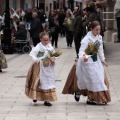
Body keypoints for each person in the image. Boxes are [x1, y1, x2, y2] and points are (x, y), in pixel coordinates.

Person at [62, 21, 111, 105]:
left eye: (99, 30)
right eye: (96, 30)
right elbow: (81, 51)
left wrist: (103, 60)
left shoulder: (99, 38)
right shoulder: (86, 39)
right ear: (91, 29)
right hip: (87, 61)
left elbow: (100, 50)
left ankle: (91, 97)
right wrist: (83, 57)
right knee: (90, 79)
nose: (98, 32)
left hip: (95, 60)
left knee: (98, 78)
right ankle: (85, 95)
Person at [25, 32, 57, 106]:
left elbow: (55, 55)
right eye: (44, 40)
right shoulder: (38, 47)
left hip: (48, 67)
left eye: (47, 40)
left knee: (48, 82)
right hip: (40, 67)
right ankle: (35, 95)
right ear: (41, 39)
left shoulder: (50, 47)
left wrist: (53, 60)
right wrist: (36, 60)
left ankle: (47, 99)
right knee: (38, 82)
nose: (46, 42)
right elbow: (32, 54)